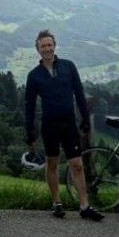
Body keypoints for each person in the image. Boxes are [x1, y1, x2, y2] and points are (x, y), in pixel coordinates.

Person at [24, 29, 104, 221]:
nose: (47, 49)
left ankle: (84, 205)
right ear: (38, 49)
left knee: (76, 164)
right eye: (43, 46)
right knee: (52, 163)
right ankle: (57, 203)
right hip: (49, 125)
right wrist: (29, 129)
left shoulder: (68, 66)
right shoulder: (34, 75)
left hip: (69, 123)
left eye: (49, 45)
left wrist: (85, 118)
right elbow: (29, 104)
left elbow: (79, 91)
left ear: (55, 46)